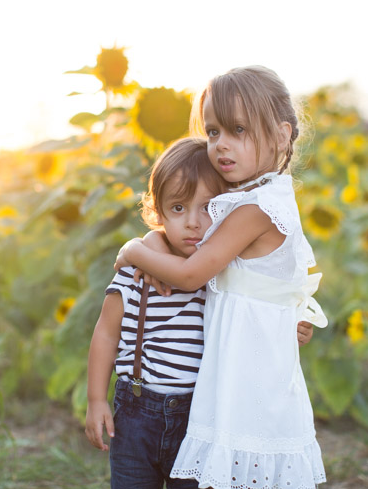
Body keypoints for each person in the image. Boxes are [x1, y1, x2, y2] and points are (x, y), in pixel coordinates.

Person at [114, 66, 328, 488]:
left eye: (238, 130)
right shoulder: (259, 197)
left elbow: (192, 272)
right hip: (249, 359)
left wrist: (133, 250)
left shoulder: (255, 209)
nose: (221, 145)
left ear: (281, 136)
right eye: (213, 132)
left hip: (248, 373)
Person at [86, 137, 314, 489]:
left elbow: (251, 318)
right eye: (178, 209)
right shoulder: (134, 275)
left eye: (207, 208)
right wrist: (96, 398)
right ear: (157, 212)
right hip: (136, 412)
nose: (193, 223)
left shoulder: (220, 279)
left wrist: (288, 328)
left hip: (199, 416)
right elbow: (106, 332)